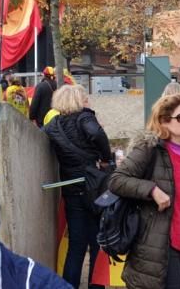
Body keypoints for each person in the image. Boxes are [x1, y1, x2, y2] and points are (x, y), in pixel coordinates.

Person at [108, 94, 180, 288]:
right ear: (164, 121)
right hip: (157, 245)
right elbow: (117, 180)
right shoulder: (149, 148)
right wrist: (151, 190)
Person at [43, 84, 111, 288]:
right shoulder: (85, 117)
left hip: (71, 189)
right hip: (93, 185)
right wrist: (106, 159)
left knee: (76, 245)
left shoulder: (53, 125)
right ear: (78, 100)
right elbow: (97, 134)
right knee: (97, 243)